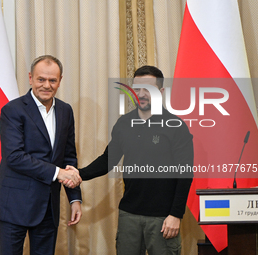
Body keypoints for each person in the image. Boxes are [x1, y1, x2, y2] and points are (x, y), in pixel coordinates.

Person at [67, 65, 193, 255]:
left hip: (163, 218)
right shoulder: (124, 124)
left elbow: (185, 174)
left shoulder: (176, 127)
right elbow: (108, 159)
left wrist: (176, 214)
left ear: (160, 91)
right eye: (137, 89)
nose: (141, 94)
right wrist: (78, 174)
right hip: (129, 215)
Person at [0, 55, 82, 255]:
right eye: (41, 79)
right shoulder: (12, 110)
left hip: (48, 207)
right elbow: (14, 156)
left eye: (52, 80)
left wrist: (74, 199)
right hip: (14, 205)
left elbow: (69, 157)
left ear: (60, 81)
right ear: (30, 78)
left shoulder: (65, 111)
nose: (46, 85)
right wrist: (57, 173)